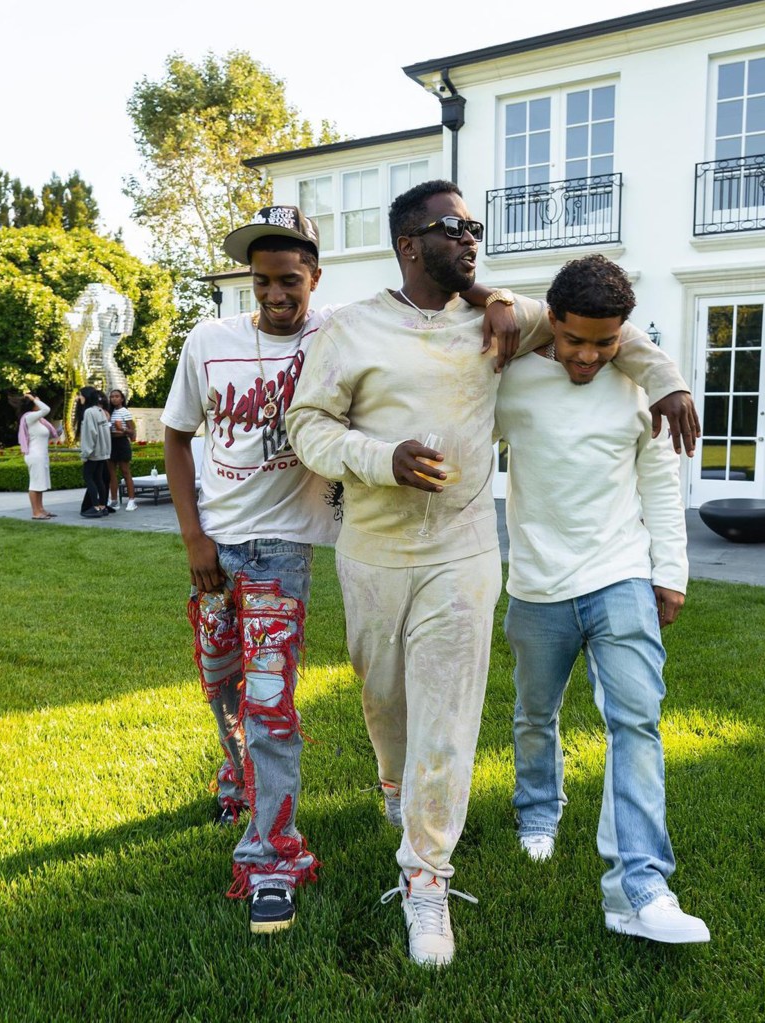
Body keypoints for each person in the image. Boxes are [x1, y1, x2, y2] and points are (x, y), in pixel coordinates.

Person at [286, 179, 697, 967]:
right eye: (452, 227)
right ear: (409, 242)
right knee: (387, 702)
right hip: (374, 551)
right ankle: (396, 787)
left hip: (466, 550)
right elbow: (307, 425)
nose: (471, 237)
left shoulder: (504, 321)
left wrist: (669, 381)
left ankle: (426, 877)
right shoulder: (348, 331)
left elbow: (615, 337)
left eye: (475, 226)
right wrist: (381, 459)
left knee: (450, 711)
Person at [495, 253, 710, 944]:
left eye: (605, 342)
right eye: (575, 339)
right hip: (535, 582)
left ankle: (639, 886)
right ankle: (538, 809)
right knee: (535, 712)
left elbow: (661, 487)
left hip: (620, 575)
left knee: (637, 722)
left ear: (625, 334)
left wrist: (669, 571)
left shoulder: (642, 387)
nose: (588, 355)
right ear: (550, 322)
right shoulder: (515, 382)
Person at [161, 206, 342, 936]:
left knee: (270, 704)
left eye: (290, 280)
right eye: (263, 279)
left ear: (314, 278)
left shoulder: (336, 336)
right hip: (216, 549)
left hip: (281, 552)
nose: (275, 293)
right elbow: (176, 438)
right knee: (220, 679)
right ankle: (237, 775)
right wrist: (193, 538)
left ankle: (272, 856)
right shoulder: (210, 341)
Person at [17, 392, 59, 520]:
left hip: (41, 455)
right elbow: (46, 409)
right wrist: (34, 399)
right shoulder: (29, 417)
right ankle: (36, 512)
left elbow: (48, 433)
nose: (39, 402)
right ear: (32, 404)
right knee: (35, 484)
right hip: (35, 455)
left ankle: (41, 509)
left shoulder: (38, 420)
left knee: (40, 484)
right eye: (36, 401)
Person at [76, 386, 112, 519]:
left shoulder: (89, 412)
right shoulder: (100, 411)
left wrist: (85, 453)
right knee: (98, 479)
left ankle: (95, 507)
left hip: (93, 453)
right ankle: (102, 506)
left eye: (80, 395)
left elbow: (90, 434)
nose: (79, 398)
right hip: (103, 452)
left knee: (88, 478)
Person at [107, 388, 138, 511]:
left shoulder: (125, 412)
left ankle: (131, 500)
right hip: (111, 442)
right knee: (111, 473)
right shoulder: (109, 412)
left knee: (125, 472)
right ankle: (114, 500)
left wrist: (122, 429)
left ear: (122, 399)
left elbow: (133, 432)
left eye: (116, 396)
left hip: (122, 442)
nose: (114, 398)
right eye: (112, 397)